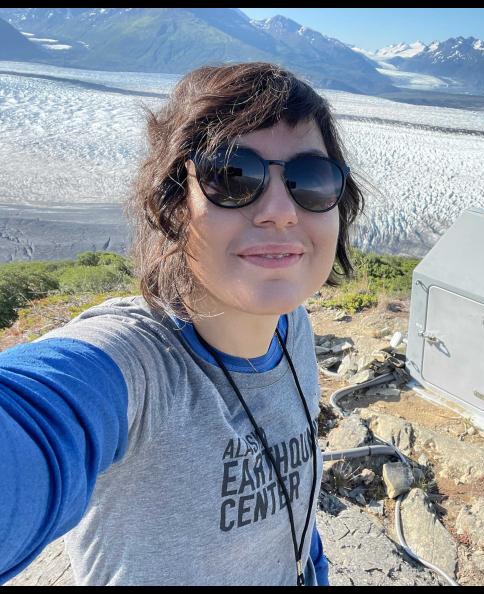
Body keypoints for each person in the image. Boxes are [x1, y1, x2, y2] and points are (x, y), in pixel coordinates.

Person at [0, 62, 365, 586]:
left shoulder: (291, 325)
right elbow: (36, 423)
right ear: (173, 204)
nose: (281, 211)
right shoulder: (137, 366)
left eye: (312, 179)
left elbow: (295, 510)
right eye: (233, 177)